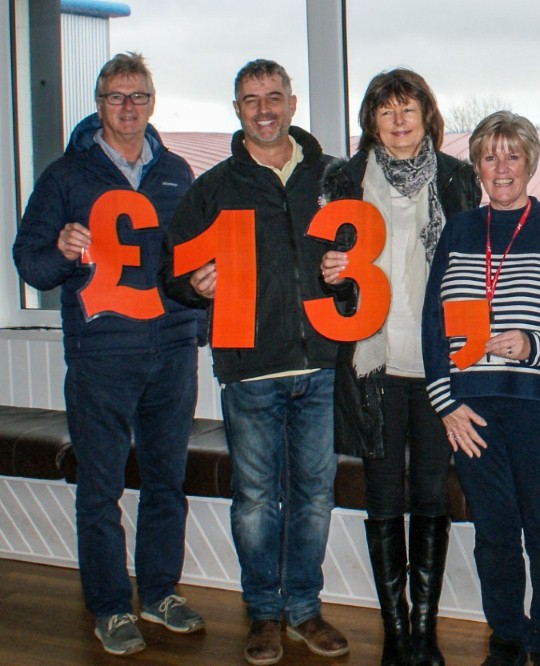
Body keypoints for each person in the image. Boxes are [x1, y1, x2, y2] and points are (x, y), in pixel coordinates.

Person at [12, 52, 203, 657]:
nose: (128, 107)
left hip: (170, 352)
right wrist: (65, 249)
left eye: (138, 96)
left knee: (168, 481)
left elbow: (195, 262)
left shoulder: (176, 172)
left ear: (153, 102)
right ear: (98, 104)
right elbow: (31, 263)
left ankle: (161, 592)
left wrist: (197, 325)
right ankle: (111, 606)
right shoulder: (66, 176)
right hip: (100, 356)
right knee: (99, 488)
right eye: (116, 96)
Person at [162, 59, 346, 666]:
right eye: (250, 99)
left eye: (274, 97)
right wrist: (195, 284)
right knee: (255, 500)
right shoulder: (213, 188)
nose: (263, 108)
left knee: (316, 498)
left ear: (293, 104)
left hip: (319, 365)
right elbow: (174, 273)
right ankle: (264, 614)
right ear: (236, 109)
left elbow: (363, 267)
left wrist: (343, 281)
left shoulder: (332, 178)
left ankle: (304, 610)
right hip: (249, 371)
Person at [319, 68, 480, 666]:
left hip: (439, 364)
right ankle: (395, 632)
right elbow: (326, 272)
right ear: (371, 120)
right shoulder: (343, 180)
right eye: (386, 110)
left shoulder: (460, 179)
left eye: (408, 108)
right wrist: (331, 274)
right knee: (384, 496)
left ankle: (426, 631)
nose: (399, 119)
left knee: (432, 496)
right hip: (374, 360)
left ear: (427, 115)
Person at [421, 111, 540, 666]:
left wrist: (535, 344)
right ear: (478, 166)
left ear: (530, 162)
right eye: (490, 156)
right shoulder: (459, 231)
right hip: (472, 408)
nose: (502, 166)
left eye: (513, 155)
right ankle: (507, 638)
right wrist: (446, 404)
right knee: (493, 531)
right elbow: (432, 324)